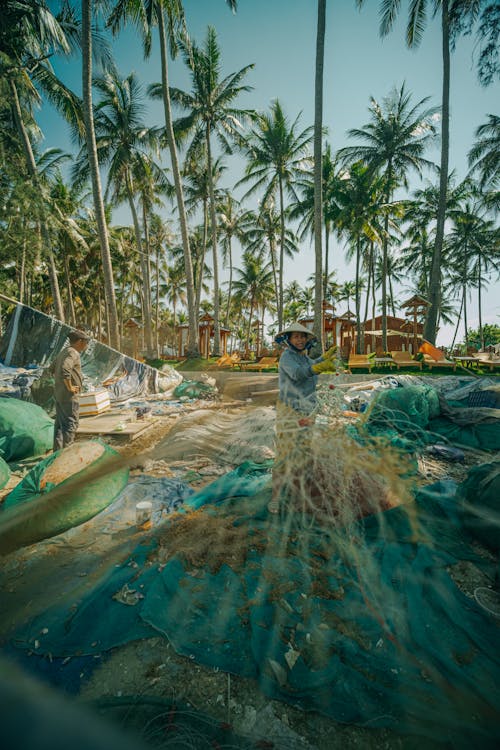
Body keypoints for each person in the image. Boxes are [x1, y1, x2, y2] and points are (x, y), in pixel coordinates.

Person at [269, 322, 337, 513]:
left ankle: (300, 496)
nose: (300, 340)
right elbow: (298, 374)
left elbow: (311, 366)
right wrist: (319, 367)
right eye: (295, 337)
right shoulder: (286, 357)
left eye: (302, 337)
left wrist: (323, 359)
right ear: (288, 340)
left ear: (307, 340)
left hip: (308, 411)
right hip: (290, 412)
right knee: (285, 454)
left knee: (305, 453)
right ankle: (275, 498)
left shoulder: (305, 357)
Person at [53, 329, 89, 452]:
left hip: (59, 395)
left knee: (59, 426)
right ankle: (66, 455)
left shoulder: (63, 351)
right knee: (70, 425)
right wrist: (69, 387)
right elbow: (65, 369)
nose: (87, 345)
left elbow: (51, 369)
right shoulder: (73, 353)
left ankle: (56, 454)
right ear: (80, 341)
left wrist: (60, 385)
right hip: (69, 397)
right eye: (86, 342)